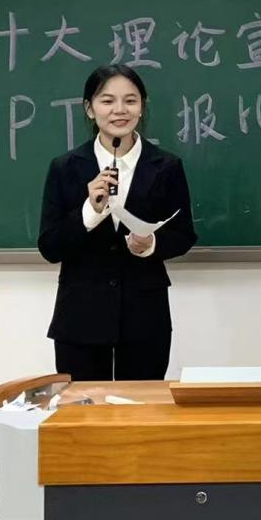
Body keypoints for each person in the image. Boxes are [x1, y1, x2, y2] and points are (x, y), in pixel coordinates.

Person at [38, 64, 198, 381]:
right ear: (90, 108)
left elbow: (183, 234)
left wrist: (150, 244)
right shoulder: (65, 168)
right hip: (80, 316)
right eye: (107, 101)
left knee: (141, 407)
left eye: (130, 100)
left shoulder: (166, 166)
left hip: (144, 316)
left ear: (142, 107)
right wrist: (89, 212)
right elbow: (50, 247)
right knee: (83, 407)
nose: (120, 110)